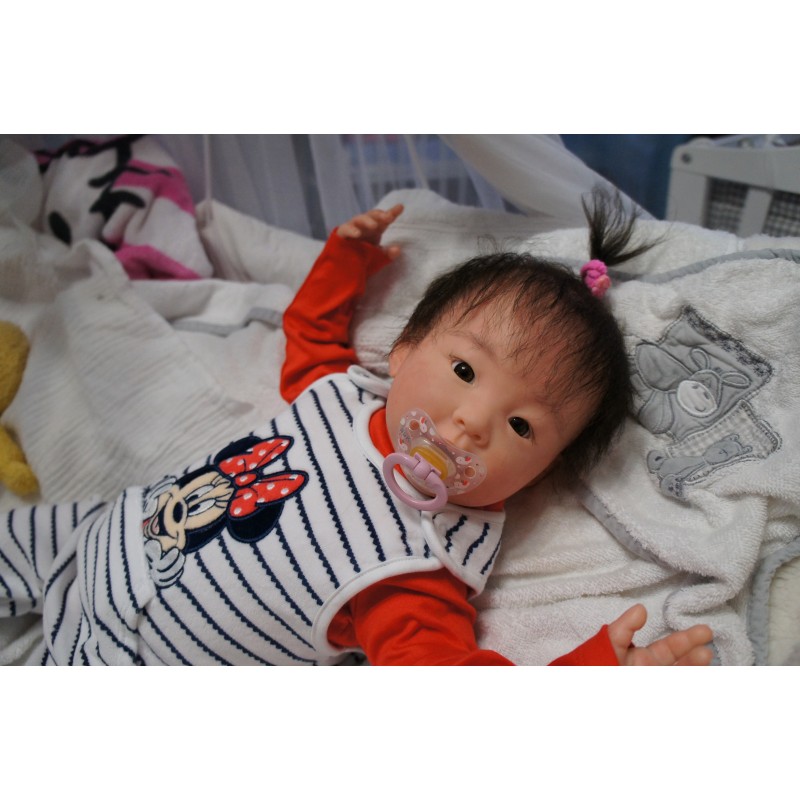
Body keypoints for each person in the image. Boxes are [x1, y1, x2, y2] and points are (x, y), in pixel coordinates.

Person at [0, 194, 713, 666]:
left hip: (129, 655)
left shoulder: (416, 569)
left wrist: (592, 667)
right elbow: (309, 335)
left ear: (543, 473)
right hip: (102, 531)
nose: (471, 422)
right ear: (404, 350)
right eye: (465, 371)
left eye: (521, 425)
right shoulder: (342, 395)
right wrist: (345, 259)